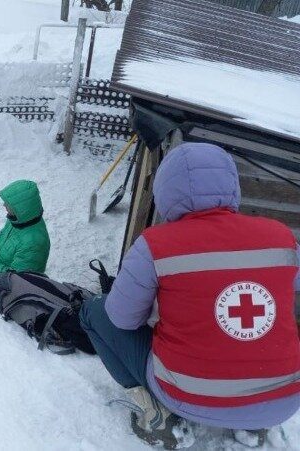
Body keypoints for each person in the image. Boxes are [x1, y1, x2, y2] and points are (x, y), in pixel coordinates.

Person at [79, 142, 300, 449]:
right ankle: (256, 424)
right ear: (232, 184)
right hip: (284, 399)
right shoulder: (281, 236)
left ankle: (158, 415)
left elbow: (122, 319)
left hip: (189, 397)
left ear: (165, 192)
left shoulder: (156, 244)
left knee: (95, 312)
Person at [0, 179, 50, 276]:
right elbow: (2, 237)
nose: (4, 205)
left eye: (8, 204)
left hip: (11, 289)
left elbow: (15, 279)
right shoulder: (20, 220)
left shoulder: (34, 243)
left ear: (21, 208)